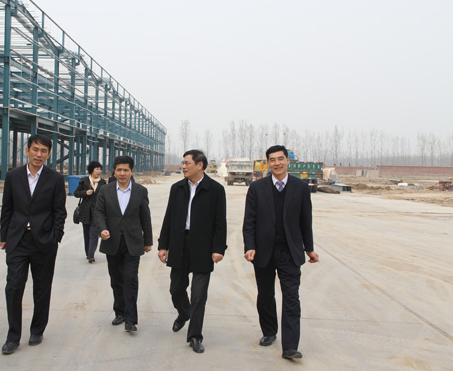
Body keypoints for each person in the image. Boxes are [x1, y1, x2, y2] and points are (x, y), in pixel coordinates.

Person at [242, 145, 319, 360]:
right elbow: (249, 221)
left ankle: (290, 347)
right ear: (268, 163)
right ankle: (269, 331)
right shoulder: (257, 188)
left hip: (290, 252)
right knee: (266, 295)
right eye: (272, 160)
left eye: (280, 159)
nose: (277, 163)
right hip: (263, 251)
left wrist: (309, 249)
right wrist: (249, 246)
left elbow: (306, 221)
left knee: (291, 297)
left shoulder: (300, 187)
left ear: (287, 161)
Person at [0, 134, 67, 355]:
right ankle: (13, 336)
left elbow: (59, 211)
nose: (39, 154)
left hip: (44, 241)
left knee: (42, 287)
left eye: (43, 151)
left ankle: (37, 330)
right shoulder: (13, 176)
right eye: (35, 149)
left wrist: (55, 236)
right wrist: (4, 236)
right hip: (18, 239)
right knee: (14, 287)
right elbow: (7, 208)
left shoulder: (55, 179)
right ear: (27, 150)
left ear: (49, 154)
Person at [158, 149, 227, 354]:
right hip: (179, 244)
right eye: (183, 163)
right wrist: (163, 245)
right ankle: (184, 313)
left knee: (199, 295)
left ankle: (195, 336)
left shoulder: (215, 190)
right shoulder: (177, 188)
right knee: (176, 289)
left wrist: (218, 249)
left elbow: (220, 223)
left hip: (203, 247)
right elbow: (169, 217)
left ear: (200, 165)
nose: (183, 166)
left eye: (187, 163)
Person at [93, 156, 152, 332]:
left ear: (131, 171)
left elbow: (145, 217)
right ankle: (119, 312)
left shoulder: (140, 191)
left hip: (133, 242)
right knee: (116, 279)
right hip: (112, 241)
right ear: (114, 171)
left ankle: (131, 319)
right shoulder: (105, 190)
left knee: (130, 279)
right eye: (119, 170)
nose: (122, 173)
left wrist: (148, 241)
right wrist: (102, 229)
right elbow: (98, 212)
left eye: (126, 170)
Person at [74, 161, 106, 263]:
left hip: (97, 211)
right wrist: (85, 193)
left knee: (94, 233)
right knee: (87, 233)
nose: (99, 171)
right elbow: (76, 193)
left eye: (100, 169)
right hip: (85, 211)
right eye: (97, 169)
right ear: (92, 170)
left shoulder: (102, 182)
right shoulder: (84, 181)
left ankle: (91, 255)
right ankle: (88, 252)